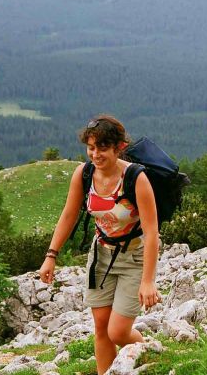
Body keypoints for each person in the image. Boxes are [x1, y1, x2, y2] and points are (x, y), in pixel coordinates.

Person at [38, 114, 162, 374]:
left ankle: (149, 349)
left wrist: (148, 281)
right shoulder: (84, 175)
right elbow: (69, 215)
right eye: (91, 147)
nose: (95, 154)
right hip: (101, 256)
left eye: (103, 148)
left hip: (134, 258)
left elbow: (152, 233)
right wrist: (51, 254)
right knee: (101, 328)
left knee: (117, 332)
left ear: (119, 148)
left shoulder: (136, 179)